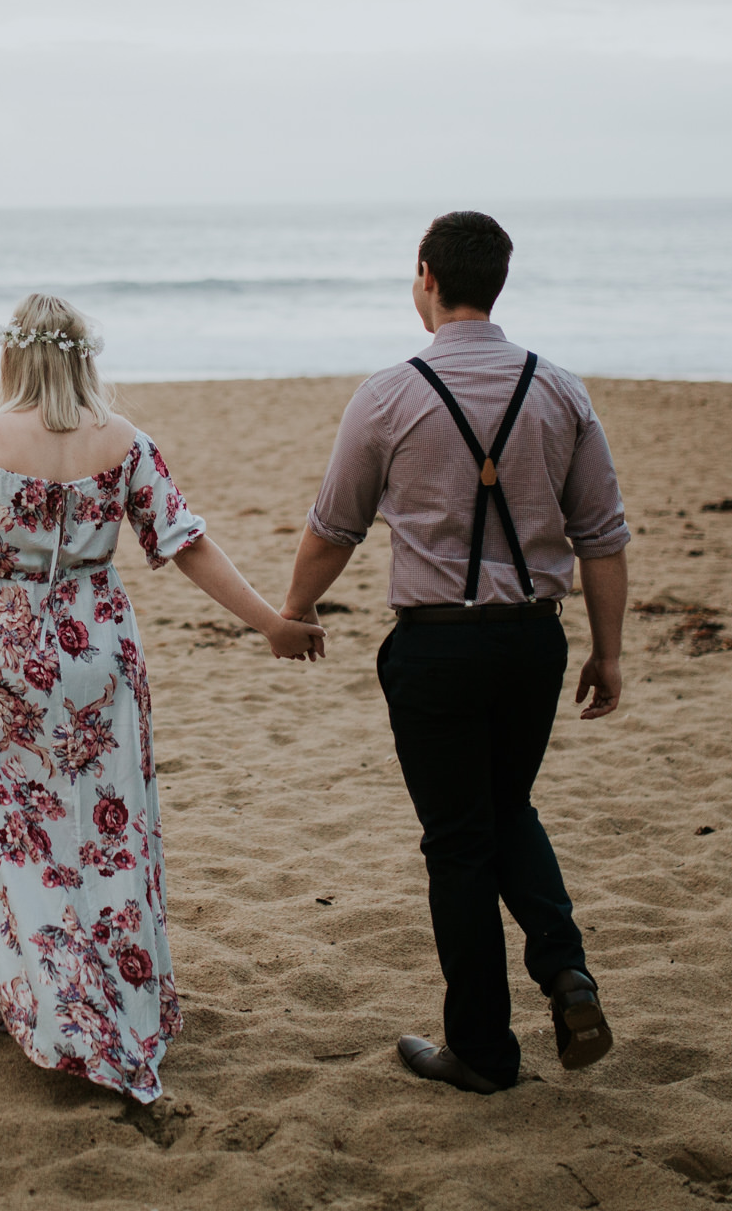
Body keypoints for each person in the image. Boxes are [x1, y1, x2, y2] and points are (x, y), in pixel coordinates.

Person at [0, 293, 324, 1101]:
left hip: (9, 659)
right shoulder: (126, 442)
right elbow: (187, 544)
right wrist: (269, 625)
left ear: (12, 356)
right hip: (100, 647)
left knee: (19, 832)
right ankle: (112, 993)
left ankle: (50, 1003)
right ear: (84, 357)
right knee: (107, 828)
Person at [280, 211, 631, 1094]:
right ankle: (564, 969)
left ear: (425, 277)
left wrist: (295, 607)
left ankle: (481, 1048)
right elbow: (603, 538)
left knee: (459, 842)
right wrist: (608, 653)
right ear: (499, 282)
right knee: (508, 806)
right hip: (532, 643)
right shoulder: (561, 392)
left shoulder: (388, 395)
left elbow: (335, 528)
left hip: (435, 649)